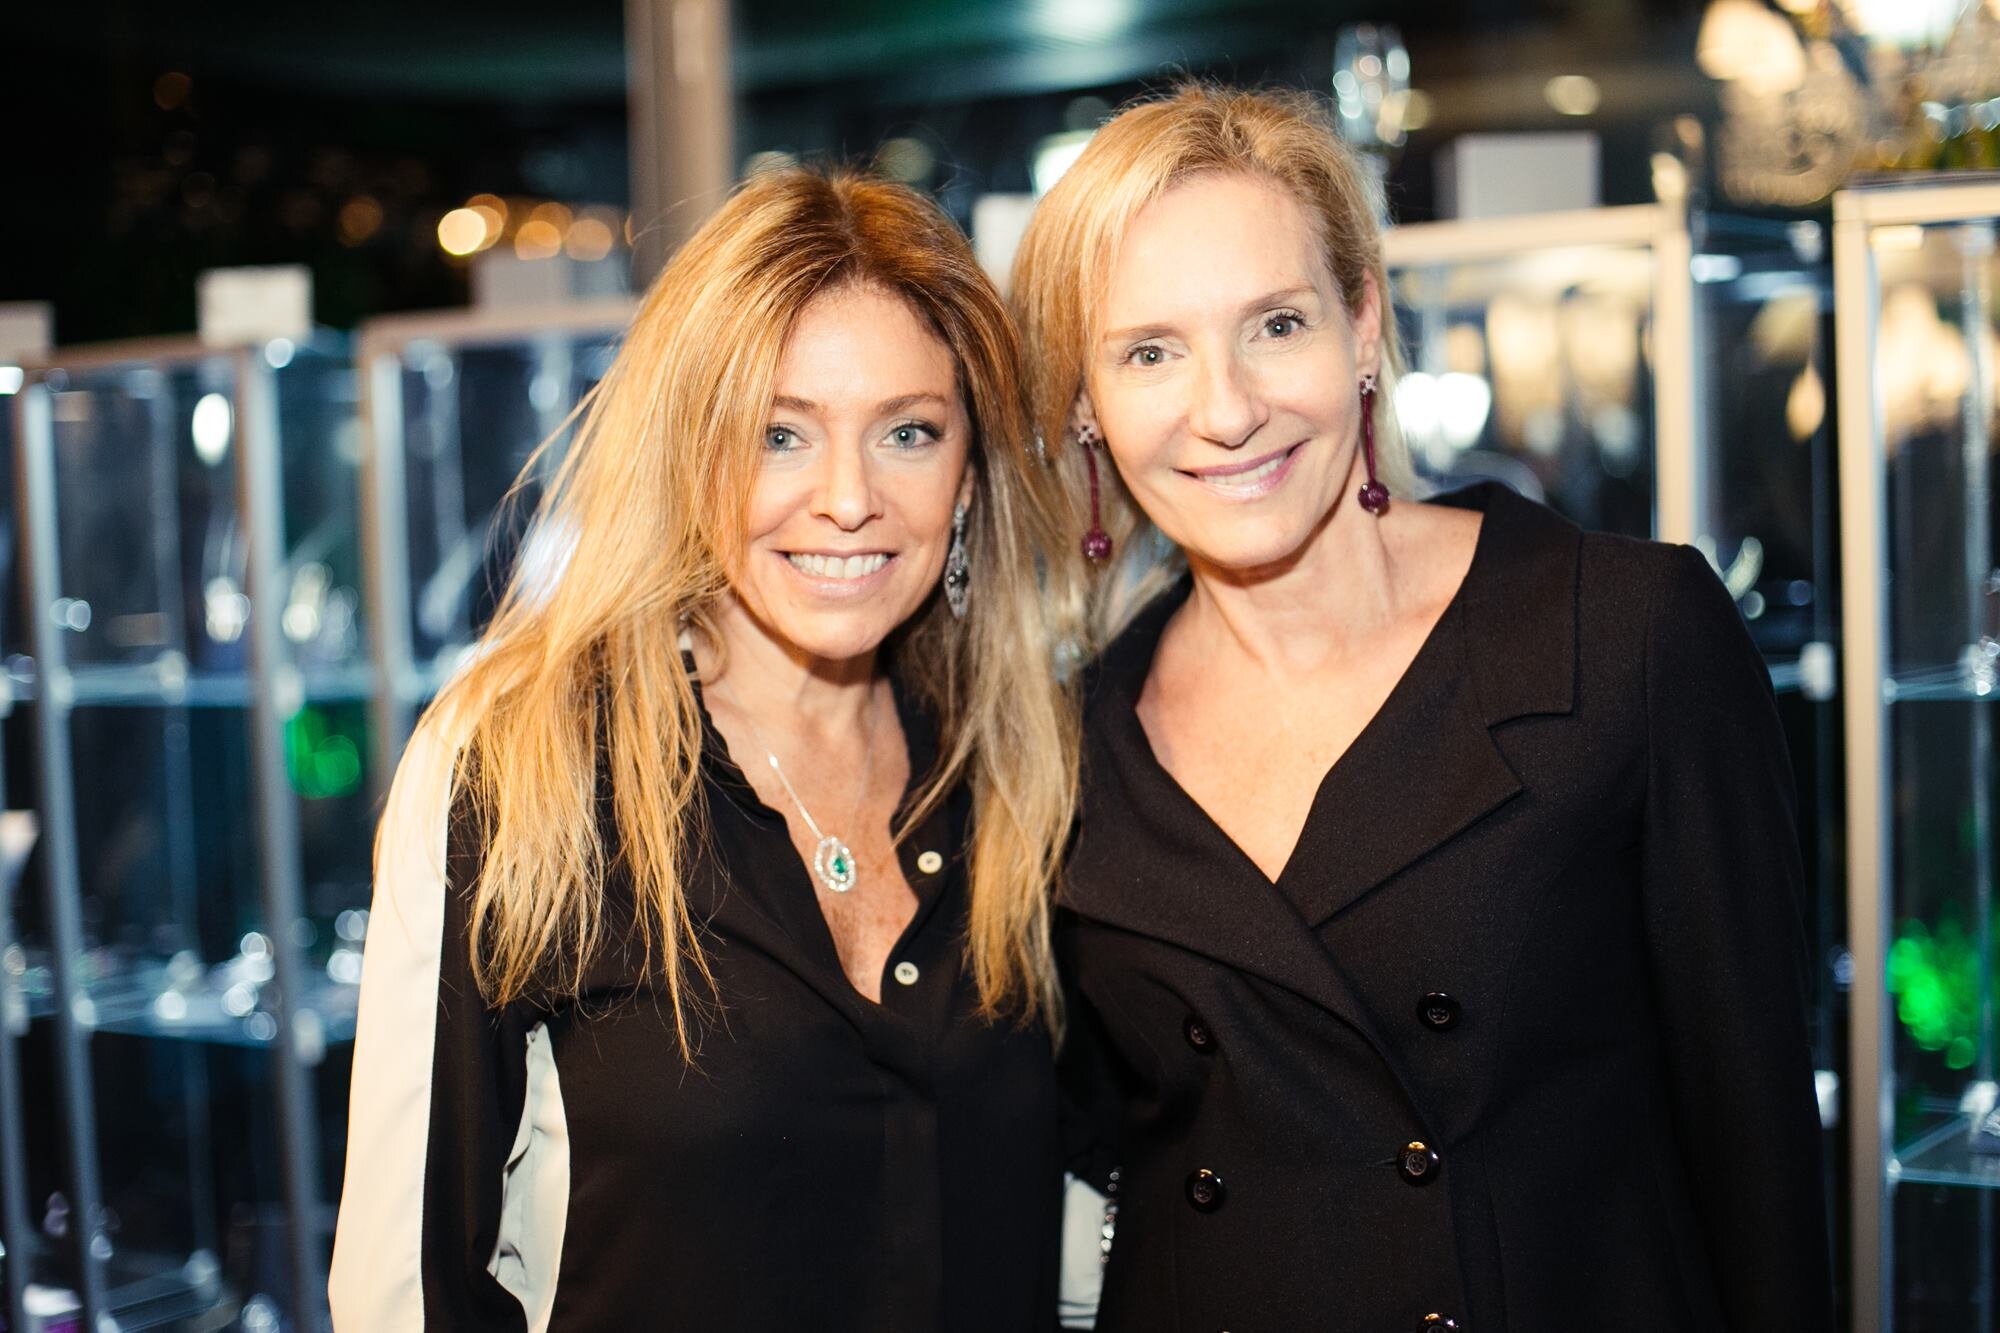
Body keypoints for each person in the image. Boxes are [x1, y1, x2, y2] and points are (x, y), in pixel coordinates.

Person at [1014, 85, 1831, 1331]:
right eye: (1147, 353)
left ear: (1361, 324)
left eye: (1274, 324)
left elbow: (1758, 1157)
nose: (1224, 410)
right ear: (1084, 401)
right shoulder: (1070, 749)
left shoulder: (1624, 637)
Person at [330, 166, 1080, 1331]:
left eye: (908, 432)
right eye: (779, 433)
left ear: (968, 472)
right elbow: (407, 1292)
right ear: (690, 451)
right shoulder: (518, 765)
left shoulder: (1017, 770)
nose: (847, 498)